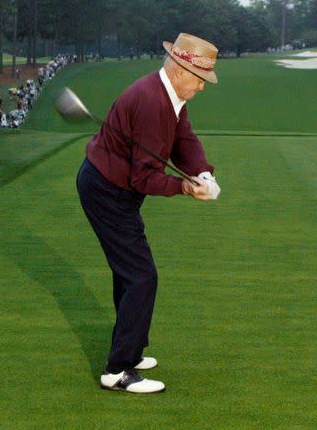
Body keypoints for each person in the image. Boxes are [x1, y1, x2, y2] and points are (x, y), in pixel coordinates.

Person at [76, 33, 221, 394]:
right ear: (179, 68)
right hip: (107, 190)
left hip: (114, 186)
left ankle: (131, 349)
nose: (202, 87)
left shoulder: (169, 97)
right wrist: (185, 187)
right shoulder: (152, 102)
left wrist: (202, 172)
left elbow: (183, 138)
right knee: (142, 277)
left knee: (130, 274)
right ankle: (118, 370)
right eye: (199, 79)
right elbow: (145, 177)